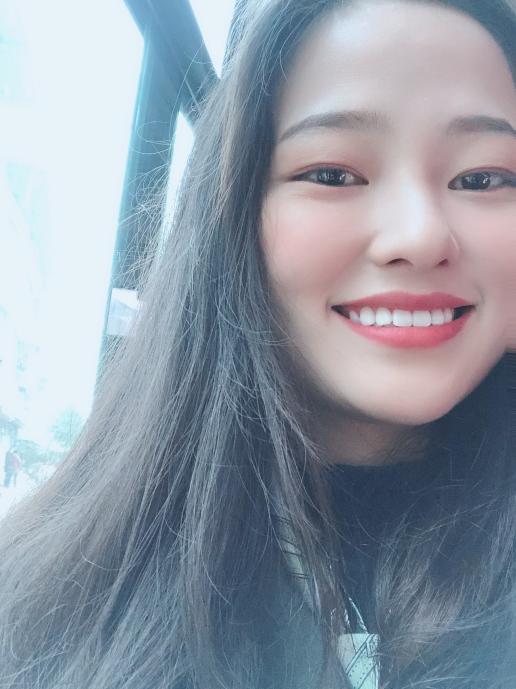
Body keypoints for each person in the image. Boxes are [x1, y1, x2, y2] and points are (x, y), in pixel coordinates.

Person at [0, 1, 515, 687]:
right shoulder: (37, 604)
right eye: (332, 174)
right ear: (233, 218)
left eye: (482, 179)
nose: (419, 236)